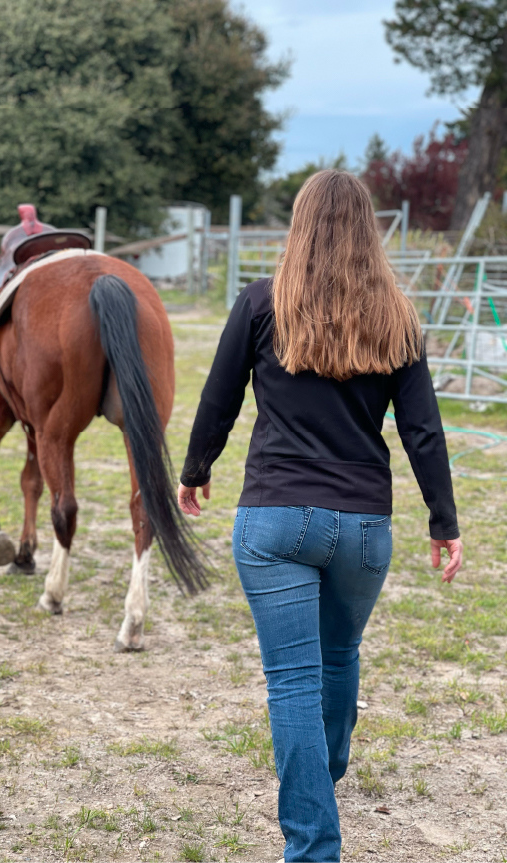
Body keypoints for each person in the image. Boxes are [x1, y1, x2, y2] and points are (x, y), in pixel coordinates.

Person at [177, 170, 462, 863]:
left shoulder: (258, 302)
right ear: (369, 229)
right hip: (363, 526)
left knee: (293, 681)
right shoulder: (397, 313)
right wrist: (442, 521)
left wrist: (195, 472)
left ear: (297, 224)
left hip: (274, 519)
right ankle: (320, 779)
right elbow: (422, 430)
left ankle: (312, 839)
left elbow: (219, 399)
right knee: (337, 659)